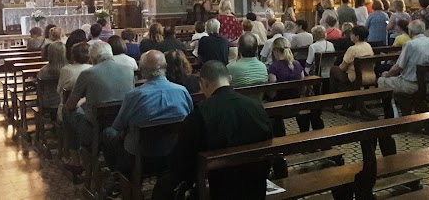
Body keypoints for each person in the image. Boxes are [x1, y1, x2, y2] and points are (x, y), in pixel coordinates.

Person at [157, 61, 273, 199]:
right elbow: (268, 143)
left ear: (203, 83)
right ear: (229, 79)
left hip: (216, 190)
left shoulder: (199, 115)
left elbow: (182, 164)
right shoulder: (256, 107)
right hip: (255, 187)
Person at [101, 50, 193, 175]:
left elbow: (118, 126)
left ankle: (118, 174)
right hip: (174, 154)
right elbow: (190, 118)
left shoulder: (134, 96)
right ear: (165, 67)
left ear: (142, 70)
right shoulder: (182, 91)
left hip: (140, 159)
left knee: (108, 132)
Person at [63, 42, 135, 166]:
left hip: (93, 129)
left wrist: (84, 100)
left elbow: (70, 105)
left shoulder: (88, 73)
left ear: (93, 58)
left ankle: (75, 160)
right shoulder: (128, 69)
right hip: (121, 126)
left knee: (67, 111)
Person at [379, 20, 429, 102]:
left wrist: (387, 74)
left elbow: (398, 67)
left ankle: (391, 111)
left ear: (410, 31)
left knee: (382, 80)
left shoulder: (410, 45)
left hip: (411, 85)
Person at [269, 38, 311, 135]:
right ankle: (305, 134)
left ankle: (280, 136)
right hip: (296, 98)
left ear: (275, 50)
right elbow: (302, 82)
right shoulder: (297, 64)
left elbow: (272, 88)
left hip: (280, 101)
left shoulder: (273, 66)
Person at [329, 26, 375, 93]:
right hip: (371, 76)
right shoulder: (368, 46)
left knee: (333, 70)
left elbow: (343, 67)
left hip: (355, 77)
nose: (350, 35)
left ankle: (335, 95)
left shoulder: (352, 49)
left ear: (357, 37)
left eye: (352, 34)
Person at [57, 42, 91, 120]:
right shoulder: (92, 68)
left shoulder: (66, 70)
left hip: (67, 110)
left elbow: (59, 90)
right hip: (88, 110)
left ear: (73, 55)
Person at [37, 41, 66, 109]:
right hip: (65, 101)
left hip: (49, 102)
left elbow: (39, 92)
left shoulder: (43, 71)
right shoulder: (68, 70)